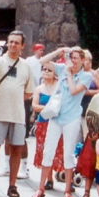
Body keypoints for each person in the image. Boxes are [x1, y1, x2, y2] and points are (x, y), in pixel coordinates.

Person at [34, 46, 93, 197]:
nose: (72, 61)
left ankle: (67, 189)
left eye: (76, 58)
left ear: (82, 60)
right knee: (48, 151)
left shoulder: (86, 76)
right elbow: (42, 61)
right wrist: (58, 51)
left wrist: (67, 75)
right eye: (71, 57)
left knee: (68, 153)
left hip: (72, 118)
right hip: (56, 116)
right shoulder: (62, 68)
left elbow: (74, 91)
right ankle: (41, 187)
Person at [0, 31, 35, 197]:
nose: (13, 45)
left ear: (22, 45)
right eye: (10, 41)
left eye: (16, 42)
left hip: (17, 114)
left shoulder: (26, 65)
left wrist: (15, 99)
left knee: (16, 149)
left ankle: (12, 186)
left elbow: (29, 92)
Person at [31, 61, 65, 190]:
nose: (46, 71)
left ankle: (64, 176)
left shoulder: (60, 86)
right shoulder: (39, 89)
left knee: (59, 149)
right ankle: (48, 179)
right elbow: (34, 106)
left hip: (57, 122)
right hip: (43, 122)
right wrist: (49, 108)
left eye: (49, 70)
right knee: (45, 150)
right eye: (44, 69)